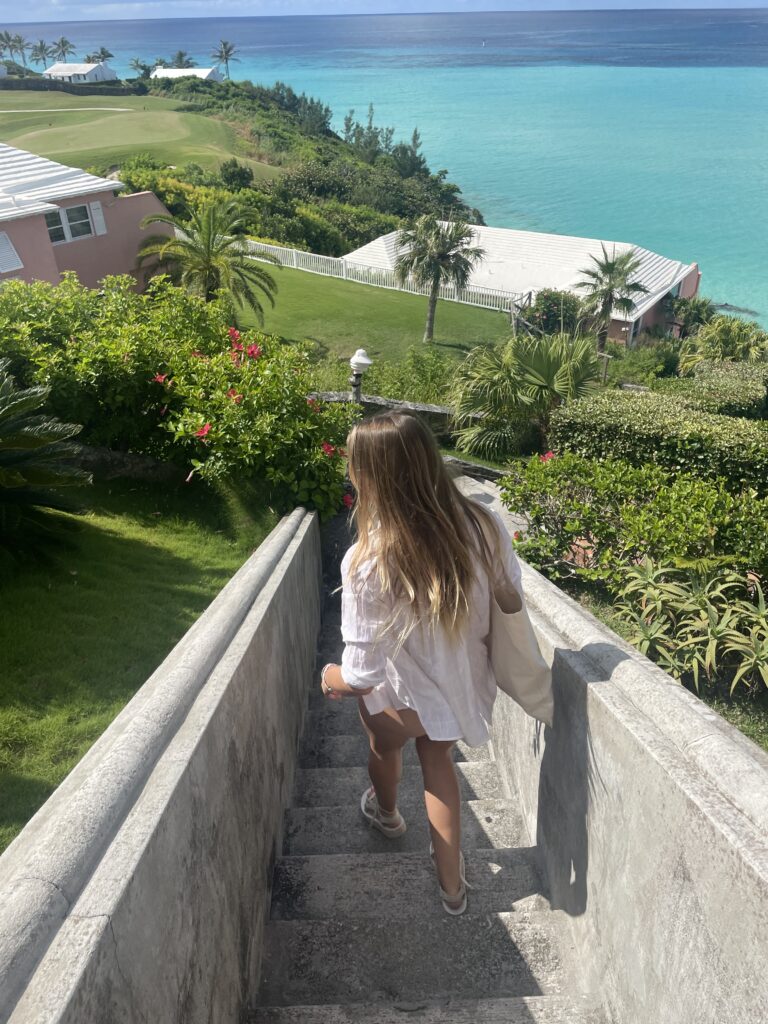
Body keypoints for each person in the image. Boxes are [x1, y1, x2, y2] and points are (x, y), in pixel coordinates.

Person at [319, 411, 522, 915]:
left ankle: (387, 814)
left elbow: (361, 675)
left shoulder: (368, 560)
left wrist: (330, 678)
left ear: (368, 475)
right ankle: (453, 889)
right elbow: (511, 599)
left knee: (383, 747)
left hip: (399, 699)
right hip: (459, 686)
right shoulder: (483, 524)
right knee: (438, 762)